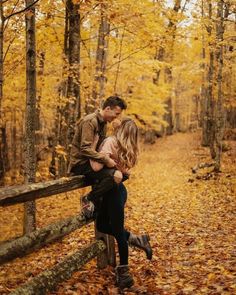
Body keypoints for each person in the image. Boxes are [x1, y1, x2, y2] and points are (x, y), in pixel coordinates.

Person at [93, 118, 152, 289]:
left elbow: (97, 165)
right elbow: (124, 172)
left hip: (114, 193)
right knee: (103, 225)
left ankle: (124, 274)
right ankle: (136, 239)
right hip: (118, 191)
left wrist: (96, 143)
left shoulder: (111, 141)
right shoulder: (129, 149)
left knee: (118, 233)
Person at [67, 96, 127, 218]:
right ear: (108, 108)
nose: (116, 117)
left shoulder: (103, 123)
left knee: (124, 174)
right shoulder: (90, 121)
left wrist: (112, 158)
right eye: (116, 114)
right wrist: (105, 159)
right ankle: (88, 198)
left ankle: (102, 203)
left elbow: (101, 145)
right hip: (80, 164)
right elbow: (85, 149)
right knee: (114, 176)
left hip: (93, 162)